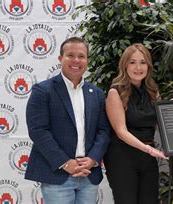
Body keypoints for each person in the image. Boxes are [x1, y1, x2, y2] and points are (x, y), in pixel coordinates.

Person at [25, 37, 111, 204]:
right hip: (57, 174)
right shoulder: (42, 91)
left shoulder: (97, 93)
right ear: (60, 58)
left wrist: (93, 159)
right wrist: (65, 163)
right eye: (70, 55)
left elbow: (104, 130)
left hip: (88, 174)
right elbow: (38, 131)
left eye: (81, 56)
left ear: (87, 60)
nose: (76, 60)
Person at [103, 43, 167, 204]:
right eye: (132, 62)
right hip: (122, 158)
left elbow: (160, 124)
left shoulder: (153, 91)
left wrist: (172, 111)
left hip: (148, 157)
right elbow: (121, 131)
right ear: (124, 65)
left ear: (149, 66)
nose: (138, 67)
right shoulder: (115, 92)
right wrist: (148, 149)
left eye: (143, 62)